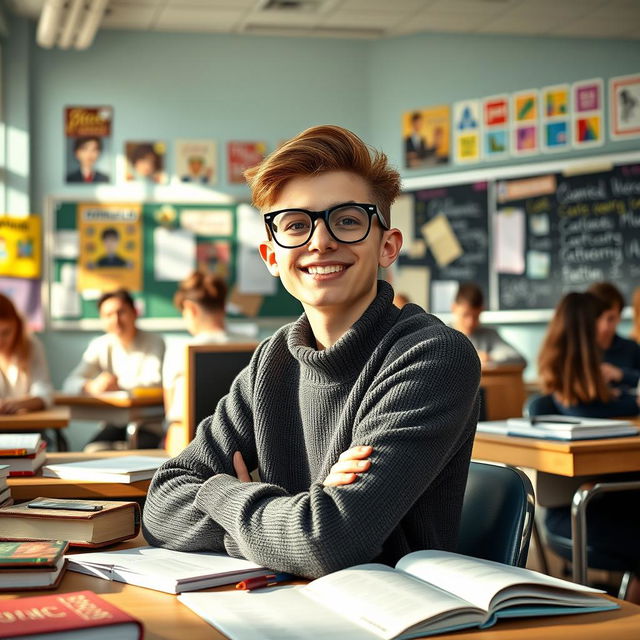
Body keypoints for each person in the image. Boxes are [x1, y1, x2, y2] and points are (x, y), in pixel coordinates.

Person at [143, 124, 480, 579]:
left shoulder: (433, 356)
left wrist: (221, 493)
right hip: (277, 605)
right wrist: (290, 515)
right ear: (270, 255)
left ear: (387, 245)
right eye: (296, 225)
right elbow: (161, 503)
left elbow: (327, 542)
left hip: (392, 615)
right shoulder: (272, 360)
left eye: (347, 220)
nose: (320, 241)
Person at [537, 291, 640, 603]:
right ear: (586, 331)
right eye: (603, 320)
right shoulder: (571, 400)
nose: (609, 329)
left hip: (613, 502)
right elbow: (592, 409)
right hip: (585, 509)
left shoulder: (587, 388)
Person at [63, 289, 165, 451]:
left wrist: (116, 383)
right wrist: (90, 386)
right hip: (113, 424)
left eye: (121, 312)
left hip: (146, 425)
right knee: (92, 452)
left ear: (134, 312)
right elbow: (70, 383)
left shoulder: (154, 341)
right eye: (108, 315)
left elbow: (155, 381)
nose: (116, 320)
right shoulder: (100, 345)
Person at [538, 291, 639, 418]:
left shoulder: (629, 348)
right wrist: (634, 404)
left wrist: (620, 391)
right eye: (598, 319)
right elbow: (581, 411)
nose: (604, 327)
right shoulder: (567, 368)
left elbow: (599, 399)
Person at [163, 271, 230, 438]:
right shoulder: (255, 346)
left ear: (190, 308)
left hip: (189, 443)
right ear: (223, 306)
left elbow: (170, 410)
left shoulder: (180, 350)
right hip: (243, 445)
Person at [0, 294, 53, 414]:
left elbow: (44, 390)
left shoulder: (31, 346)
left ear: (17, 326)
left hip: (26, 425)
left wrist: (25, 403)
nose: (1, 340)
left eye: (6, 332)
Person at [451, 282, 526, 367]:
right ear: (453, 308)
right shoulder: (443, 336)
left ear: (482, 310)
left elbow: (519, 358)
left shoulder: (489, 335)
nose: (470, 322)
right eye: (465, 315)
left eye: (476, 316)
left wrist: (491, 358)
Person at [588, 282, 640, 393]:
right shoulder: (576, 349)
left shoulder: (632, 348)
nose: (604, 327)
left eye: (611, 318)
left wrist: (621, 374)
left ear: (619, 317)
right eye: (597, 317)